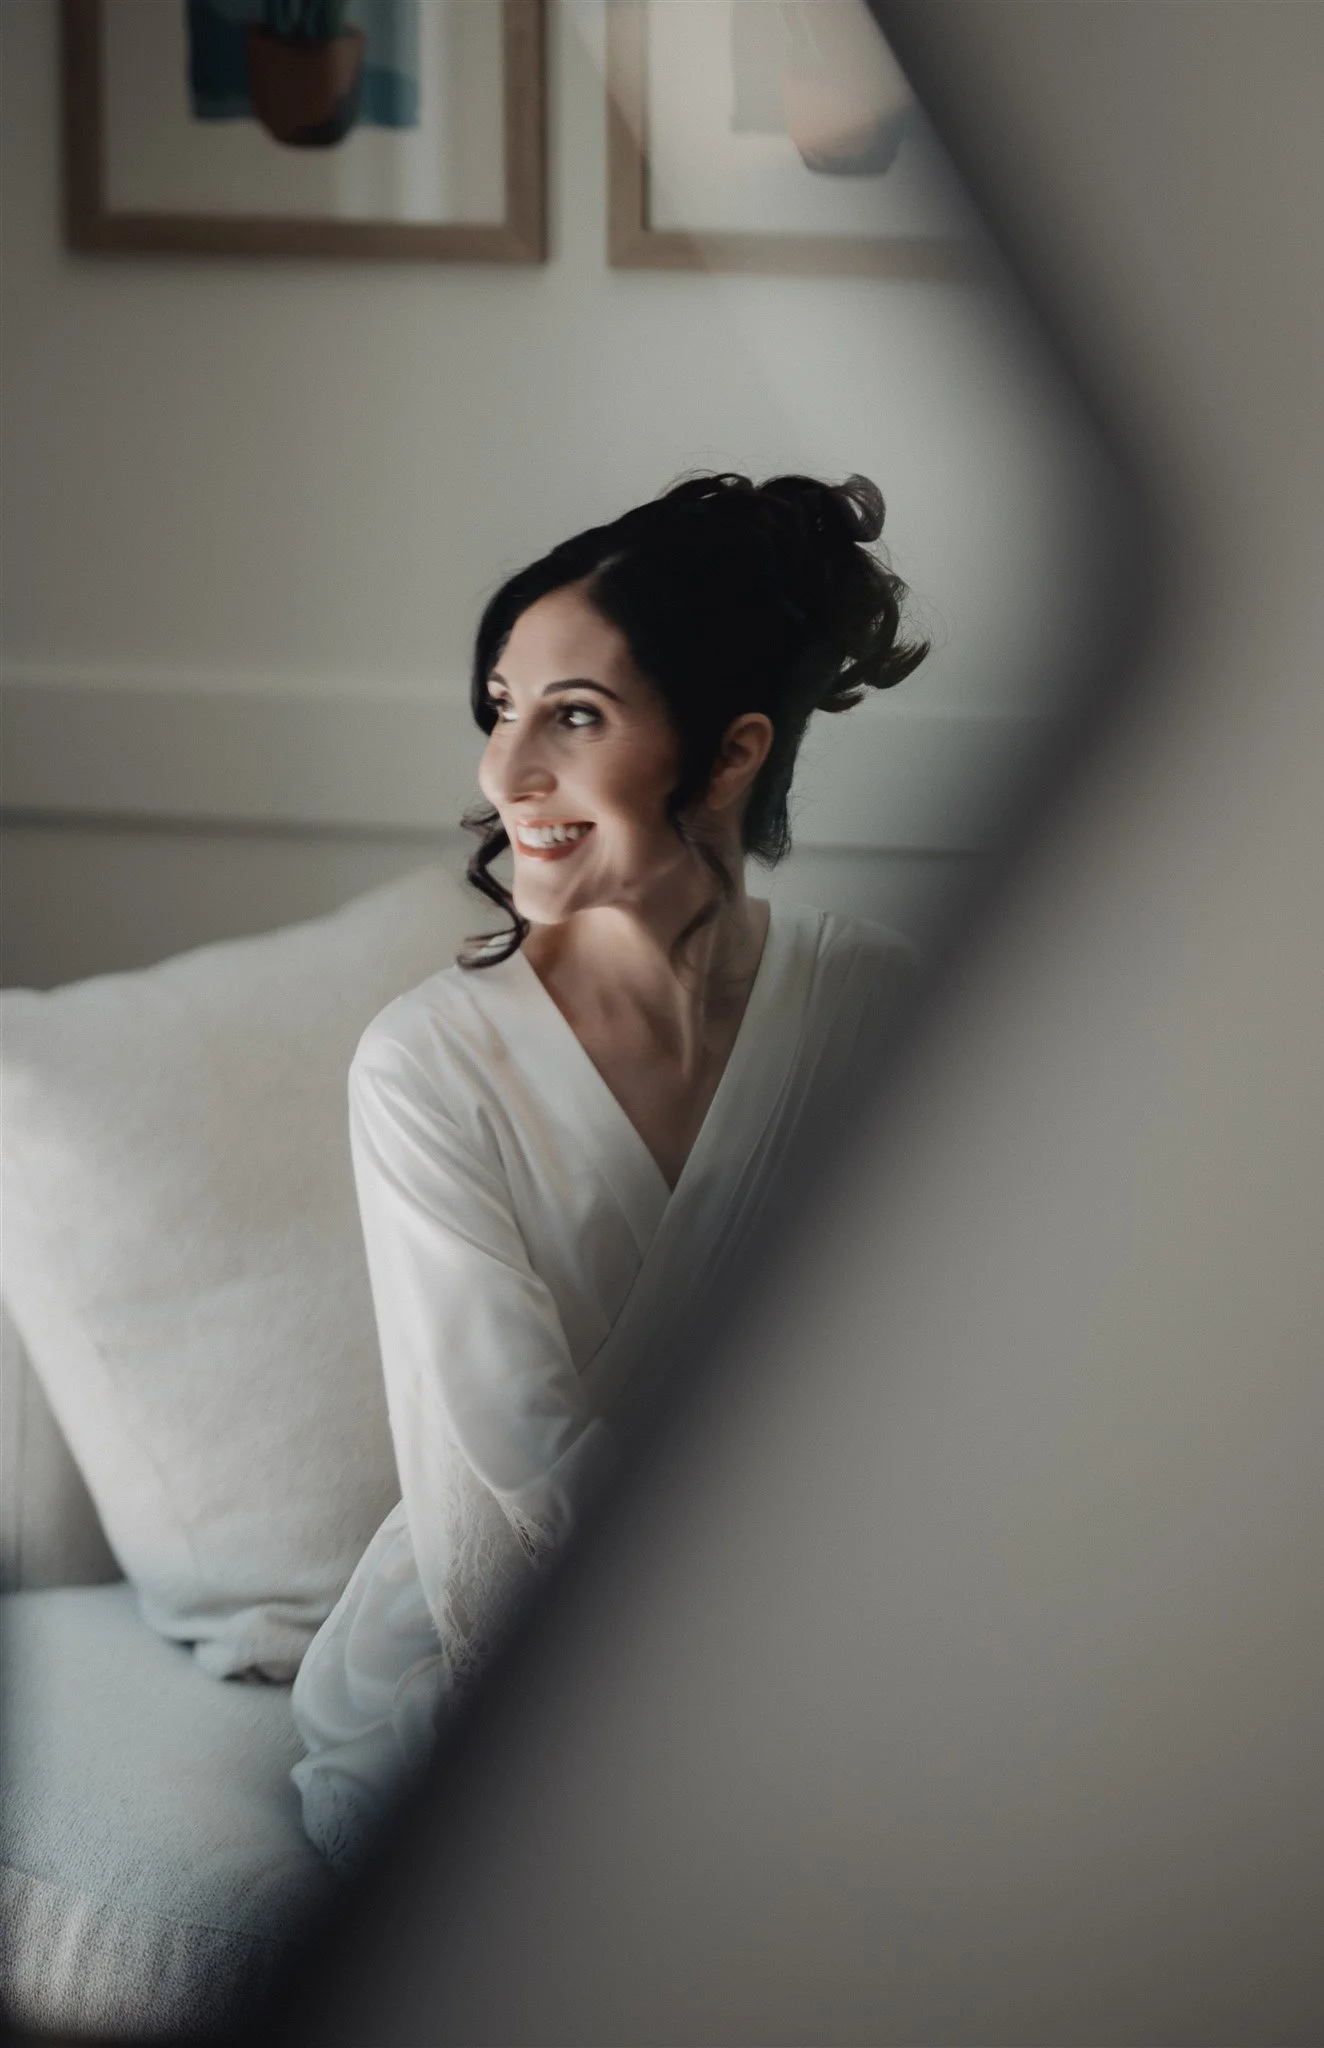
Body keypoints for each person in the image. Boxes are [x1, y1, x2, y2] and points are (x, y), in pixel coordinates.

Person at [289, 470, 929, 1874]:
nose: (503, 773)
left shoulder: (879, 1010)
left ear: (727, 752)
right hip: (516, 1667)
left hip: (833, 1638)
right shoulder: (427, 1069)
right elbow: (516, 1461)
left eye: (571, 717)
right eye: (501, 709)